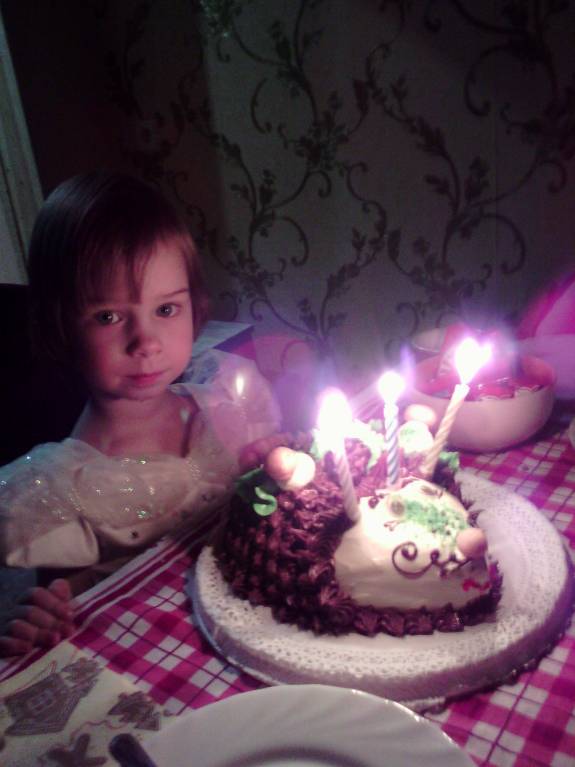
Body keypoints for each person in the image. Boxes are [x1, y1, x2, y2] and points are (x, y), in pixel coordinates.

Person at [0, 171, 282, 656]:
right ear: (59, 325)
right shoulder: (64, 488)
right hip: (159, 657)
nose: (146, 343)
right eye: (109, 317)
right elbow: (67, 599)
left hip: (259, 625)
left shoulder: (227, 404)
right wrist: (38, 617)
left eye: (166, 310)